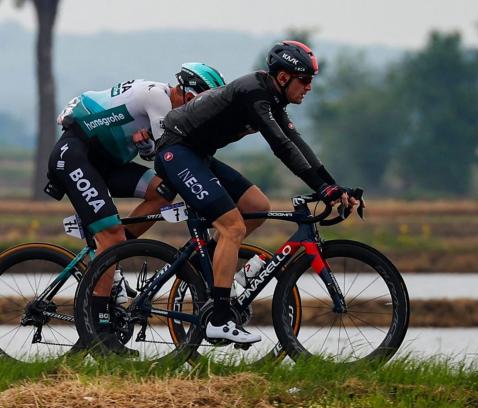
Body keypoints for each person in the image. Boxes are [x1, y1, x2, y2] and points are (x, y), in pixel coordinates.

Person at [154, 41, 358, 344]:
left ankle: (209, 270)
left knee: (256, 204)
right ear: (285, 77)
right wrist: (321, 188)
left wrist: (330, 185)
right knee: (232, 226)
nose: (309, 88)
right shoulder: (255, 92)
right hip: (176, 151)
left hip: (198, 155)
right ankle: (220, 319)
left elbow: (297, 142)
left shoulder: (274, 99)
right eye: (305, 80)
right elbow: (281, 147)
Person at [48, 63, 226, 342]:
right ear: (191, 96)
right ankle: (101, 331)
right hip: (76, 156)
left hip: (105, 161)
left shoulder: (164, 104)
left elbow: (157, 152)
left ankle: (112, 253)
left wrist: (145, 147)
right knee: (111, 238)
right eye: (202, 105)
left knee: (162, 192)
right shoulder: (158, 98)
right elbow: (170, 154)